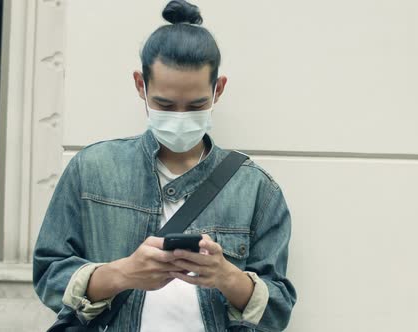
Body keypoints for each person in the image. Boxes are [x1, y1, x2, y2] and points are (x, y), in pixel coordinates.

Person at [32, 1, 297, 331]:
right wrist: (123, 274)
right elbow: (47, 276)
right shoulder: (92, 170)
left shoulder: (256, 189)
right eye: (165, 104)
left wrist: (227, 277)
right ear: (140, 85)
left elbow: (278, 310)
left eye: (196, 104)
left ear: (219, 89)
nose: (180, 118)